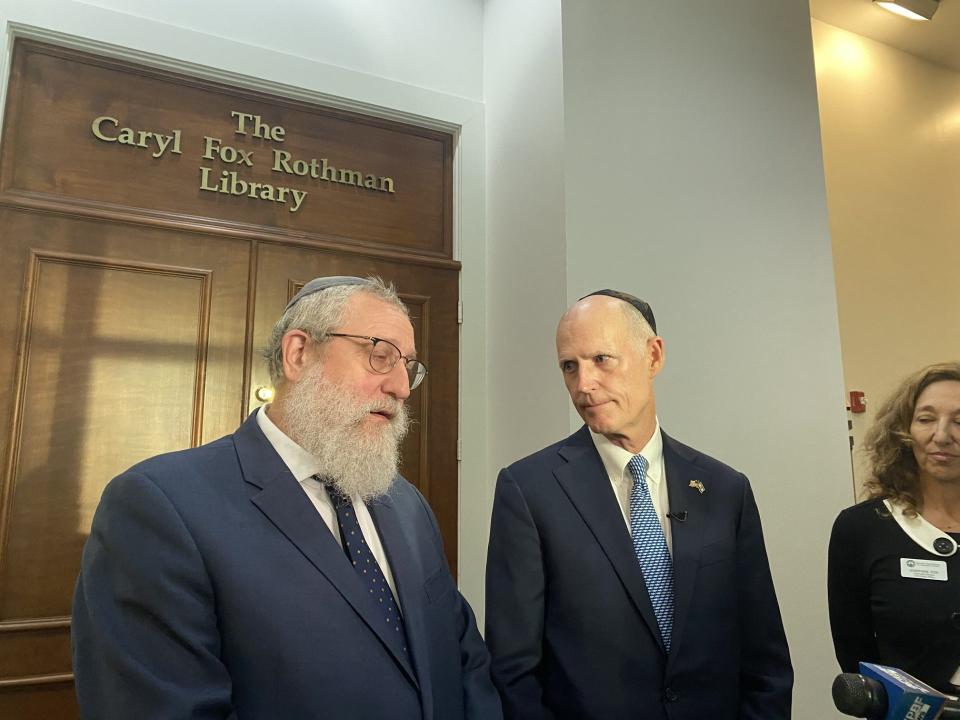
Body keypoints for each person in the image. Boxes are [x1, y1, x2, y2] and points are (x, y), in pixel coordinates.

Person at [72, 276, 502, 720]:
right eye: (380, 355)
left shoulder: (406, 504)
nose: (401, 387)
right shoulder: (160, 506)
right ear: (298, 354)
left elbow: (464, 659)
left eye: (408, 366)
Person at [484, 290, 793, 720]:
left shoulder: (725, 491)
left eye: (601, 360)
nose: (583, 385)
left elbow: (765, 661)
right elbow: (512, 671)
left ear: (653, 356)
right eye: (569, 367)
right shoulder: (529, 491)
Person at [828, 362, 960, 694]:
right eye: (926, 419)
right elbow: (858, 664)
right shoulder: (861, 529)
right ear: (903, 431)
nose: (941, 436)